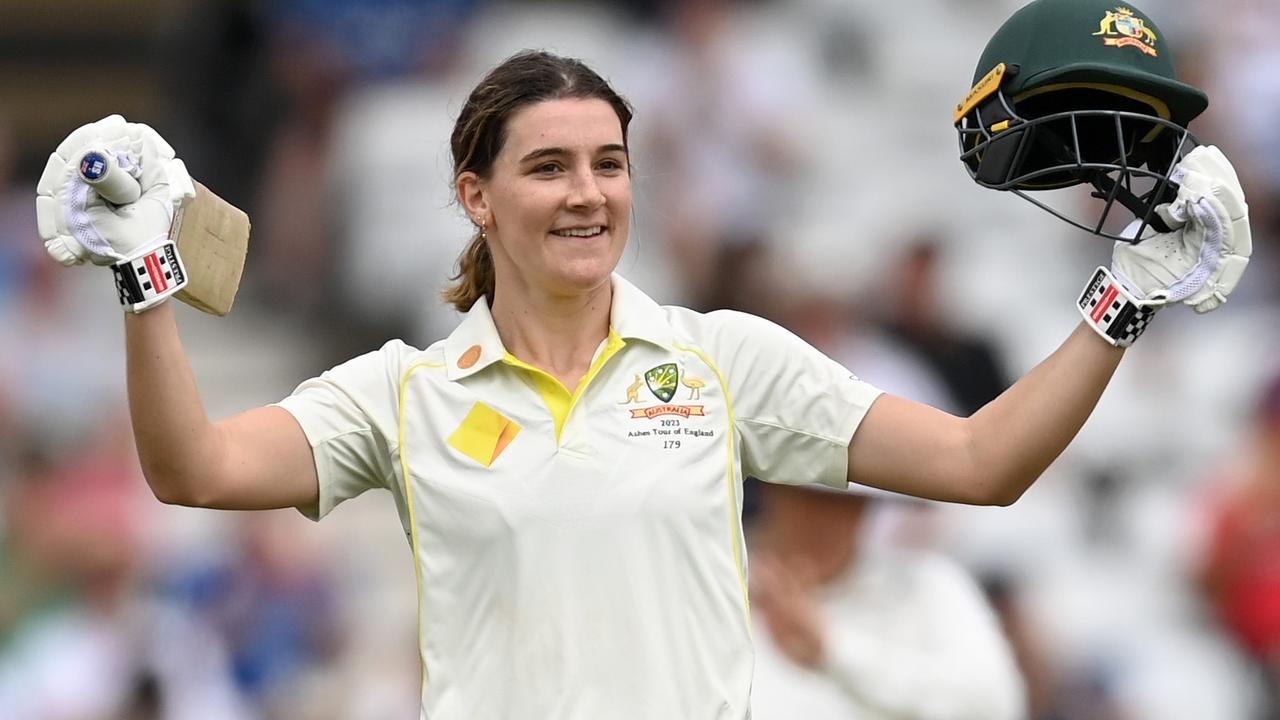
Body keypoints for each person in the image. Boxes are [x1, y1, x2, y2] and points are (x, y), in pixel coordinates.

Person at [32, 38, 1250, 720]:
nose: (587, 193)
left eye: (608, 164)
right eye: (549, 165)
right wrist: (147, 277)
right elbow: (192, 470)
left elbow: (981, 465)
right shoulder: (401, 391)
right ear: (475, 196)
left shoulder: (722, 360)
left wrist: (1123, 298)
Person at [747, 484, 1025, 720]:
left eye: (847, 502)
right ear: (771, 491)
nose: (828, 520)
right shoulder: (719, 586)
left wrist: (834, 651)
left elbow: (994, 705)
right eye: (810, 498)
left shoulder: (930, 585)